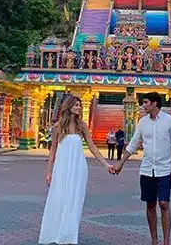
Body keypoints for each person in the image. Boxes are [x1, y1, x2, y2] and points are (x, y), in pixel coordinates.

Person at [39, 95, 114, 245]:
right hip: (62, 168)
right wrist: (49, 172)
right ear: (69, 106)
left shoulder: (82, 126)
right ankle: (54, 233)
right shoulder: (58, 127)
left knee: (74, 201)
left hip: (78, 168)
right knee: (58, 198)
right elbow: (53, 150)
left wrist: (106, 165)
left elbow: (92, 147)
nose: (79, 107)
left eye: (80, 105)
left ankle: (68, 236)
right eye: (76, 105)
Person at [112, 93, 171, 245]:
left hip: (164, 169)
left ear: (155, 103)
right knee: (150, 204)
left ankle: (166, 241)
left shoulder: (170, 122)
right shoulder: (142, 122)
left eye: (145, 102)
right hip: (146, 169)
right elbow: (133, 144)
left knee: (164, 203)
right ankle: (154, 240)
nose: (143, 106)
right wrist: (120, 163)